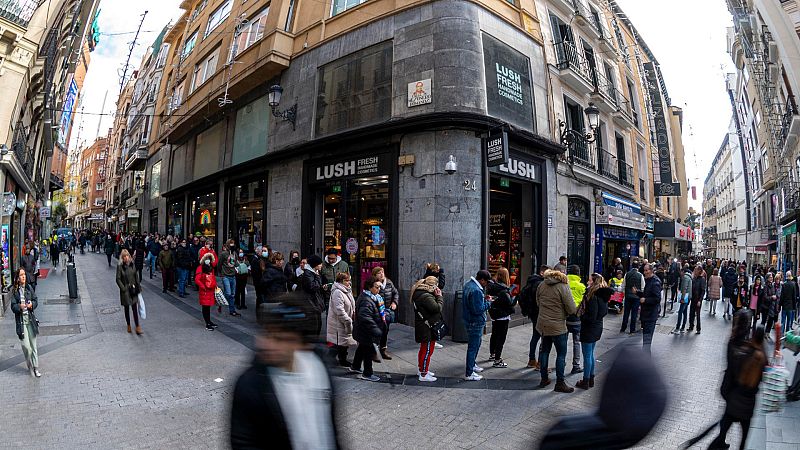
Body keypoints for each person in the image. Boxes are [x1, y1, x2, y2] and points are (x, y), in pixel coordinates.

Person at [229, 299, 341, 449]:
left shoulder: (320, 369)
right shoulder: (250, 385)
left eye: (280, 339)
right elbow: (243, 442)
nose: (268, 344)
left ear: (298, 344)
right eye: (267, 334)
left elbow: (330, 428)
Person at [707, 313, 767, 449]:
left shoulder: (738, 347)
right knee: (743, 438)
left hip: (733, 397)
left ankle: (718, 444)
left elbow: (733, 367)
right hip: (747, 404)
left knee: (724, 428)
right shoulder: (758, 357)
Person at [536, 268, 578, 392]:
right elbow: (571, 309)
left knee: (544, 351)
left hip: (543, 324)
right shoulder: (563, 287)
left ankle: (544, 378)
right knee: (561, 354)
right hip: (558, 326)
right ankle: (560, 383)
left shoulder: (542, 284)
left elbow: (538, 302)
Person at [576, 273, 612, 390]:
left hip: (589, 328)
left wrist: (582, 317)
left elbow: (591, 315)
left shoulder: (593, 295)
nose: (587, 282)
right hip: (597, 327)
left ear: (594, 282)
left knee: (587, 355)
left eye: (590, 280)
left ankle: (586, 381)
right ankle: (590, 379)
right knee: (590, 354)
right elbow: (604, 312)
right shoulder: (603, 295)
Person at [350, 276, 385, 382]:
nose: (379, 289)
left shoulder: (372, 297)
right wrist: (376, 330)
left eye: (380, 287)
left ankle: (355, 367)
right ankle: (367, 373)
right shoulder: (366, 300)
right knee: (368, 352)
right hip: (366, 331)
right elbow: (365, 318)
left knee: (361, 348)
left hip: (363, 331)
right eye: (377, 287)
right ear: (370, 287)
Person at [411, 275, 444, 382]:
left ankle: (422, 369)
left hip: (424, 325)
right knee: (427, 350)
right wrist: (439, 297)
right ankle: (424, 374)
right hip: (427, 327)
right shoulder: (426, 296)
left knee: (424, 349)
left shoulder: (420, 293)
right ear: (432, 285)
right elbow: (437, 308)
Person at [462, 270, 492, 381]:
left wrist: (483, 300)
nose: (487, 284)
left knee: (475, 344)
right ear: (482, 280)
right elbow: (478, 309)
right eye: (486, 282)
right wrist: (488, 303)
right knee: (473, 347)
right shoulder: (476, 291)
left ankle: (472, 365)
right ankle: (469, 373)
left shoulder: (469, 285)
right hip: (475, 321)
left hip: (470, 320)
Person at [11, 268, 41, 377]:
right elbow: (13, 307)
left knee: (33, 346)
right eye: (21, 275)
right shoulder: (15, 291)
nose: (23, 277)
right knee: (26, 346)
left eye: (24, 275)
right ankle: (29, 363)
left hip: (30, 321)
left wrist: (31, 305)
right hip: (21, 322)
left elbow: (36, 300)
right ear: (18, 278)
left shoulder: (29, 288)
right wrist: (19, 306)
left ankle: (36, 367)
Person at [326, 272, 356, 368]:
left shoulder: (347, 290)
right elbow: (339, 310)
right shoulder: (337, 292)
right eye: (347, 280)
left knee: (343, 343)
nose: (349, 282)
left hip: (344, 322)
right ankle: (330, 360)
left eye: (349, 280)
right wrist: (347, 320)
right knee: (338, 343)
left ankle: (341, 359)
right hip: (338, 323)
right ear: (341, 281)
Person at [487, 267, 515, 368]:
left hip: (494, 314)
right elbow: (510, 303)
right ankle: (497, 359)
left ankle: (492, 354)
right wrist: (515, 298)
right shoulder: (504, 289)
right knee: (501, 337)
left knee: (494, 335)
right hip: (503, 315)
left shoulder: (493, 286)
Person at [522, 265, 547, 369]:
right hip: (539, 314)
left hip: (533, 314)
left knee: (535, 337)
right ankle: (540, 364)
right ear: (542, 273)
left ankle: (531, 360)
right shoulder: (540, 284)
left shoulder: (531, 281)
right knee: (543, 339)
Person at [633, 263, 662, 354]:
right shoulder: (649, 280)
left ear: (651, 270)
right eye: (644, 270)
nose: (644, 272)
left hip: (650, 315)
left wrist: (645, 300)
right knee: (646, 341)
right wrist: (637, 292)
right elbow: (646, 294)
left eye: (646, 270)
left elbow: (657, 299)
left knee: (646, 342)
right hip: (646, 314)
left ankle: (645, 363)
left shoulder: (655, 282)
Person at [372, 266, 398, 360]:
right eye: (379, 273)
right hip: (377, 312)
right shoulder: (373, 284)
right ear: (375, 275)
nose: (382, 274)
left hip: (387, 311)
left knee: (385, 331)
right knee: (376, 332)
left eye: (382, 272)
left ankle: (383, 350)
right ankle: (374, 352)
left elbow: (395, 293)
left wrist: (394, 302)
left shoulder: (389, 282)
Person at [115, 249, 142, 335]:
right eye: (125, 256)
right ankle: (128, 325)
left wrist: (138, 287)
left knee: (134, 308)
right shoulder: (120, 266)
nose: (127, 258)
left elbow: (136, 276)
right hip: (126, 290)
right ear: (122, 258)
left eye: (128, 256)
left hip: (133, 288)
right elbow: (118, 279)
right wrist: (123, 289)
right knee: (127, 308)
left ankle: (137, 326)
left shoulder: (132, 264)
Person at [565, 265, 585, 374]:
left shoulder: (564, 284)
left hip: (565, 316)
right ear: (578, 274)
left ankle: (561, 362)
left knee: (563, 341)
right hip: (577, 317)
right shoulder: (581, 286)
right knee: (576, 342)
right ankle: (576, 366)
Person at [300, 254, 326, 336]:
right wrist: (318, 277)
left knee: (317, 324)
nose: (321, 265)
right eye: (319, 264)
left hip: (314, 301)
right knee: (314, 326)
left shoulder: (314, 273)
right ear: (315, 264)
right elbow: (312, 286)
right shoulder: (309, 274)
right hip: (311, 302)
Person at [196, 253, 219, 331]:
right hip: (205, 291)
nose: (208, 260)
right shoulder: (200, 268)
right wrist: (203, 287)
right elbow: (197, 279)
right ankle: (207, 323)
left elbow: (213, 278)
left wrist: (215, 286)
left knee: (208, 307)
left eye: (209, 259)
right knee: (205, 307)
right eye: (206, 259)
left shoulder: (211, 268)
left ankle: (209, 321)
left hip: (210, 290)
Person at [620, 262, 644, 334]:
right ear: (638, 267)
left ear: (632, 266)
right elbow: (643, 287)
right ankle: (632, 330)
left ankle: (623, 328)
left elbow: (623, 285)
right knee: (634, 313)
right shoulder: (640, 275)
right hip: (636, 297)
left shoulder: (627, 274)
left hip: (628, 296)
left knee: (626, 313)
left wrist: (625, 293)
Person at [219, 239, 241, 317]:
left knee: (232, 294)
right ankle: (220, 302)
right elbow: (220, 264)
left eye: (233, 243)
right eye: (231, 244)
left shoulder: (234, 253)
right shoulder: (223, 254)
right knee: (228, 293)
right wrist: (221, 273)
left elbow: (236, 263)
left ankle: (232, 310)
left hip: (233, 276)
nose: (232, 245)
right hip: (225, 276)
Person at [673, 266, 693, 334]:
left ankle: (677, 328)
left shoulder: (685, 278)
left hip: (685, 297)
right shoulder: (689, 277)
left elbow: (684, 288)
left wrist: (682, 298)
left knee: (680, 312)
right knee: (685, 312)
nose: (680, 273)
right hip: (688, 296)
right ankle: (682, 328)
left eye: (680, 272)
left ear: (683, 272)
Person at [688, 265, 706, 334]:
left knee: (697, 314)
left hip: (698, 299)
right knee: (691, 313)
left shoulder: (702, 279)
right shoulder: (694, 279)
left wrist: (700, 300)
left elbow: (703, 290)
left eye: (696, 270)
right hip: (693, 298)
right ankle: (691, 326)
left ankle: (698, 328)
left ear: (699, 271)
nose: (695, 271)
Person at [780, 271, 797, 336]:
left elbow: (782, 296)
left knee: (783, 320)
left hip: (784, 305)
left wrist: (779, 305)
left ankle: (781, 334)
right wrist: (794, 307)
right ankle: (787, 334)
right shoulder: (793, 284)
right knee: (788, 321)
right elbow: (794, 297)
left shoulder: (784, 284)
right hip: (790, 306)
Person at [761, 272, 778, 337]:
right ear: (767, 278)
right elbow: (765, 297)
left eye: (772, 277)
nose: (772, 278)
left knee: (770, 320)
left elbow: (774, 293)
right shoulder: (765, 286)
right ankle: (761, 333)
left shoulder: (773, 285)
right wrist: (772, 297)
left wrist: (774, 296)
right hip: (765, 306)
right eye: (770, 277)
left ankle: (767, 332)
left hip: (771, 306)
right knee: (764, 320)